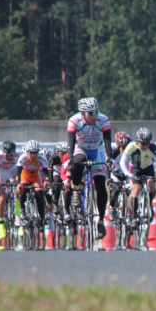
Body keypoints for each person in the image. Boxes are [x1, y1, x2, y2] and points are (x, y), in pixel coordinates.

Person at [67, 97, 113, 239]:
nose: (95, 116)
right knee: (78, 161)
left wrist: (109, 158)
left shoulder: (103, 119)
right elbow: (71, 141)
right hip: (80, 149)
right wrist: (70, 159)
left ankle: (100, 220)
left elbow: (107, 141)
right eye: (91, 113)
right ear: (83, 114)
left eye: (96, 112)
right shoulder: (74, 120)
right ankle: (76, 190)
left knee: (100, 185)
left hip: (97, 151)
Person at [122, 128, 156, 224]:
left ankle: (149, 204)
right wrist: (128, 174)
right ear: (137, 141)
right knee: (136, 189)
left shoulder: (152, 147)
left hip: (148, 168)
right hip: (135, 169)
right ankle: (134, 216)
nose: (146, 146)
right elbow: (123, 162)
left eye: (148, 143)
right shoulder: (131, 146)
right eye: (143, 144)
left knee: (151, 185)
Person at [15, 140, 49, 227]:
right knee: (23, 190)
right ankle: (21, 210)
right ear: (27, 152)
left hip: (35, 178)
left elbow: (45, 173)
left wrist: (46, 181)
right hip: (24, 177)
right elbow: (18, 172)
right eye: (31, 153)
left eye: (36, 153)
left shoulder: (43, 159)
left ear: (38, 152)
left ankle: (42, 217)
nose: (33, 155)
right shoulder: (23, 158)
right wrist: (19, 183)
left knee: (39, 194)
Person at [0, 140, 19, 242]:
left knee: (18, 192)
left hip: (12, 172)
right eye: (6, 155)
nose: (8, 157)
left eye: (10, 155)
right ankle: (1, 222)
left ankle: (18, 216)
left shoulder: (18, 155)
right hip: (0, 173)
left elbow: (22, 169)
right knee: (2, 197)